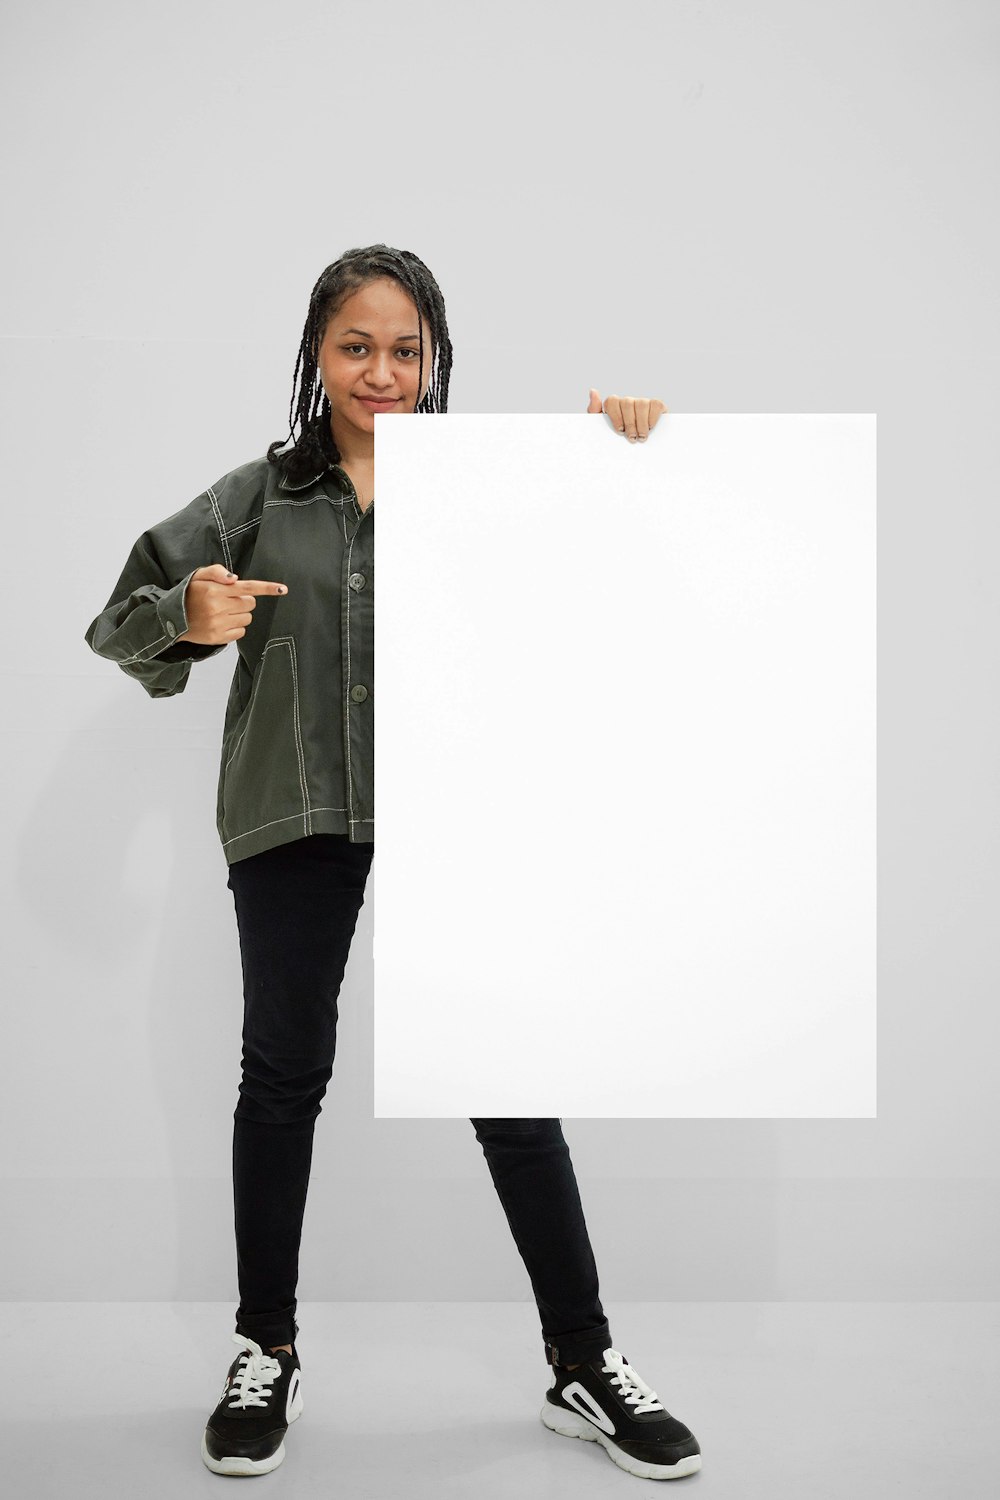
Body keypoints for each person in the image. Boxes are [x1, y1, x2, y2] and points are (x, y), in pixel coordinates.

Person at [84, 243, 699, 1483]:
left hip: (453, 820)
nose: (382, 369)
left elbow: (626, 584)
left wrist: (627, 458)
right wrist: (184, 623)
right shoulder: (260, 494)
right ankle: (266, 1349)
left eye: (405, 348)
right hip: (296, 817)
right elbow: (123, 618)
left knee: (513, 1100)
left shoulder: (496, 490)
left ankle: (581, 1363)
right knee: (281, 1083)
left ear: (438, 359)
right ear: (316, 356)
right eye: (355, 345)